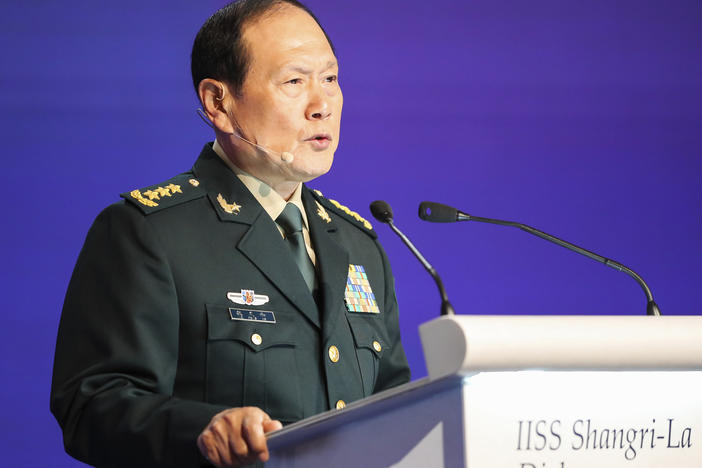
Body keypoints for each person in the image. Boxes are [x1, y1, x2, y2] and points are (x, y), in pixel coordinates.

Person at [50, 1, 410, 467]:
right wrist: (200, 429)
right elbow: (91, 404)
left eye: (331, 79)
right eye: (295, 81)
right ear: (218, 102)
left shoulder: (360, 244)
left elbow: (396, 407)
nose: (322, 105)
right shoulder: (149, 233)